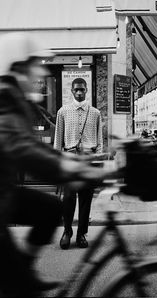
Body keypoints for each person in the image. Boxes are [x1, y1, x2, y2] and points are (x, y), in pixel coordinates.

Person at [0, 33, 112, 297]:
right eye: (34, 64)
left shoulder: (15, 97)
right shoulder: (3, 97)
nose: (39, 70)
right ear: (18, 67)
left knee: (51, 207)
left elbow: (34, 147)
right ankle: (16, 281)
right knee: (9, 282)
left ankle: (21, 272)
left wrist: (71, 163)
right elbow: (23, 150)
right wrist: (67, 168)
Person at [54, 78, 103, 250]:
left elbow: (100, 142)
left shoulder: (95, 113)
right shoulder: (63, 112)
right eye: (76, 90)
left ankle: (82, 233)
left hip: (88, 161)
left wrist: (97, 163)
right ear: (72, 91)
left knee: (85, 199)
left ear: (87, 90)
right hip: (69, 159)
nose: (80, 92)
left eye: (82, 89)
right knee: (68, 198)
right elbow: (57, 141)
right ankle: (67, 232)